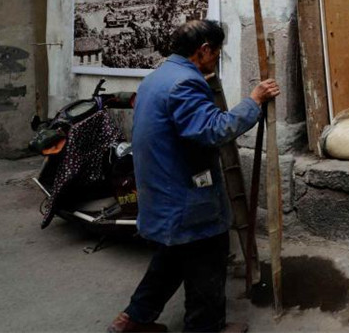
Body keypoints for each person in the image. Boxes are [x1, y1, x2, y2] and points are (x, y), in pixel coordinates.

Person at [108, 20, 280, 333]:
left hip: (161, 190)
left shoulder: (158, 77)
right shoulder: (185, 84)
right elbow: (214, 129)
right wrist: (253, 101)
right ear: (202, 51)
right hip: (183, 195)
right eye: (216, 53)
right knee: (207, 258)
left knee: (172, 256)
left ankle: (134, 319)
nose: (216, 58)